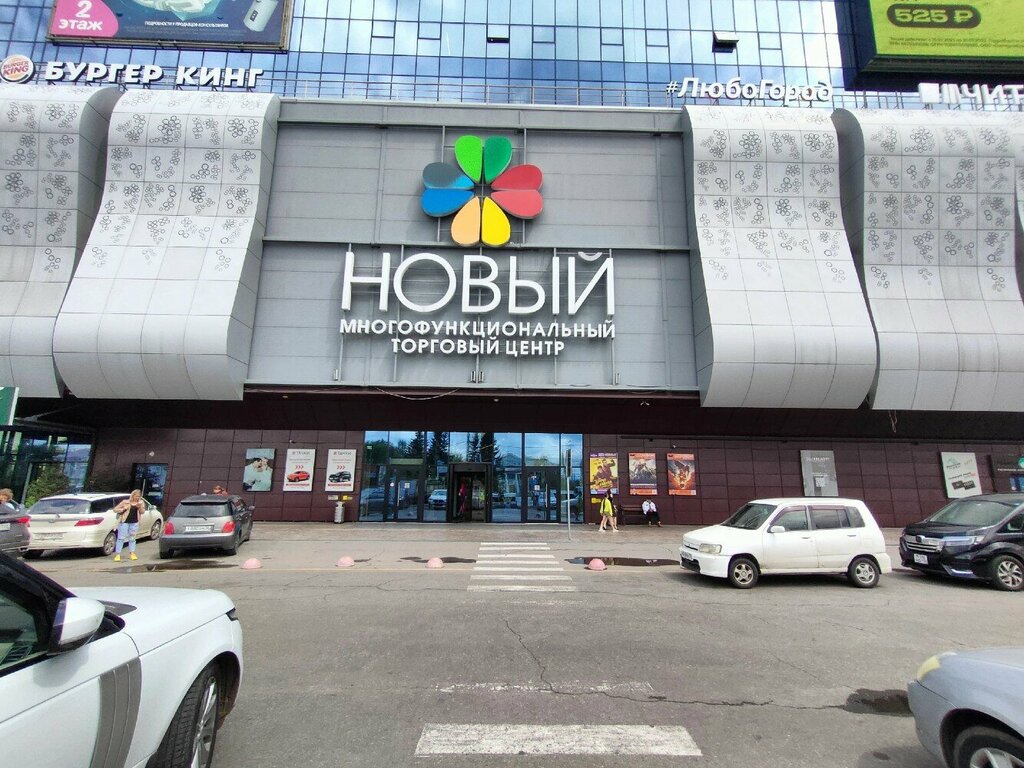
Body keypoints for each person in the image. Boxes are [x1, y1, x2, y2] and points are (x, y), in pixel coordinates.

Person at [112, 489, 146, 562]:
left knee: (132, 538)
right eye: (136, 496)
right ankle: (118, 554)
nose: (137, 498)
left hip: (134, 522)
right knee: (121, 538)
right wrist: (123, 509)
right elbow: (115, 509)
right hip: (124, 522)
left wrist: (139, 507)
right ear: (133, 496)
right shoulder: (125, 502)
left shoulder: (141, 502)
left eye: (139, 496)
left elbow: (142, 512)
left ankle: (132, 553)